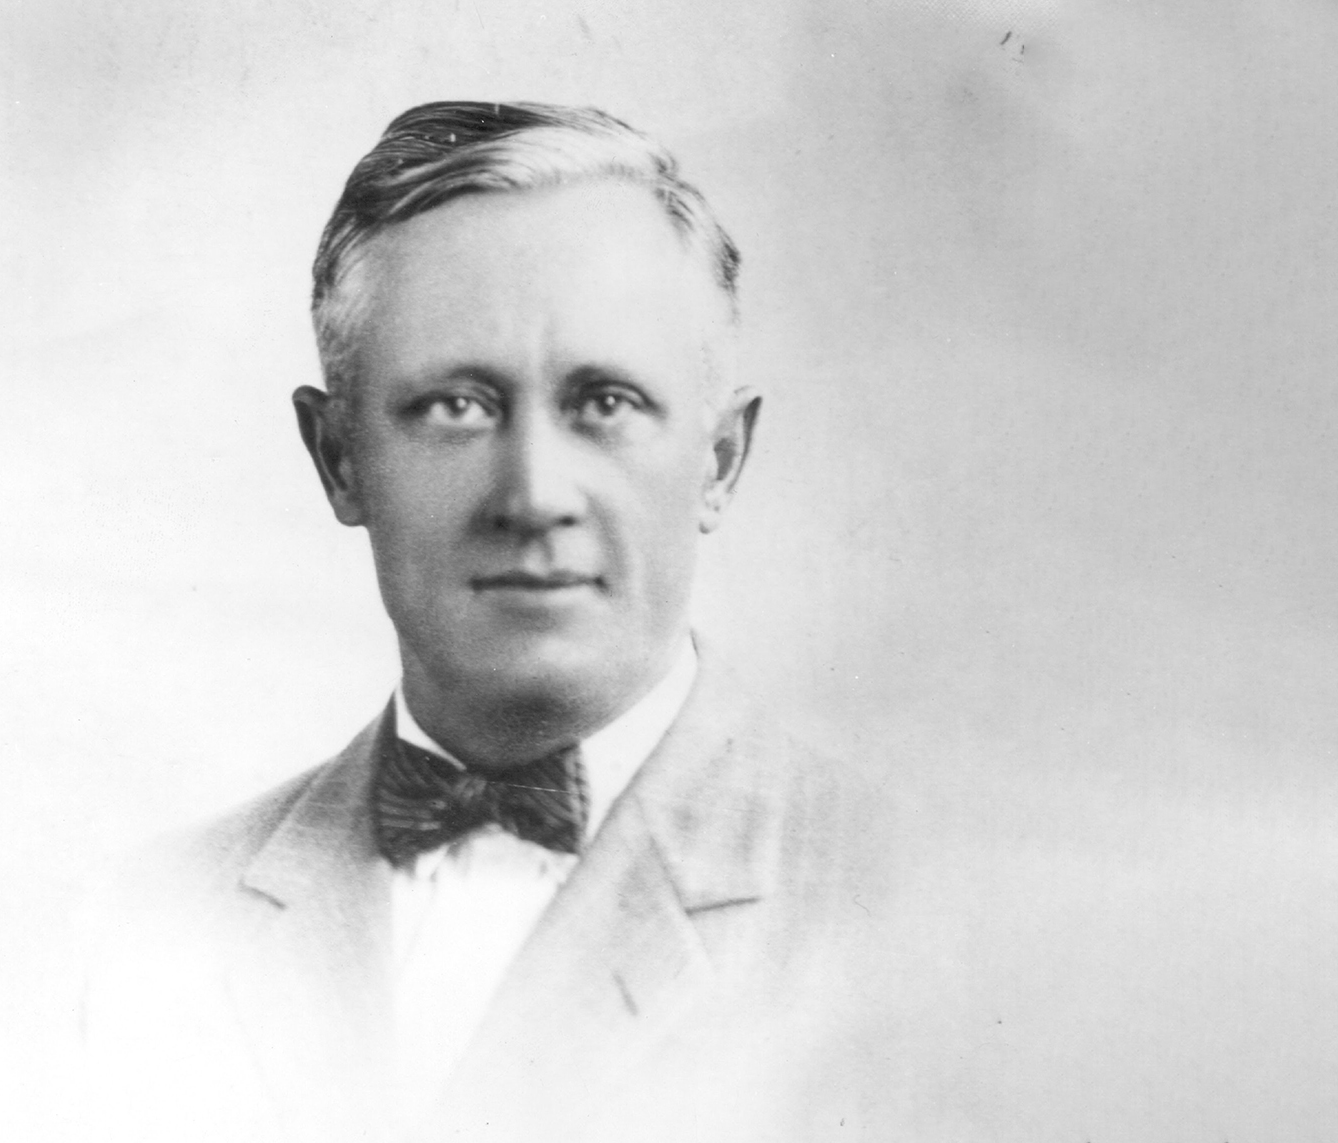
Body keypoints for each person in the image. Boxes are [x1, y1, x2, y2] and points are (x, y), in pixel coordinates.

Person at [80, 100, 1336, 1143]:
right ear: (336, 457)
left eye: (604, 402)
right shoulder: (153, 923)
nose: (532, 495)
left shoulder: (925, 908)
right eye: (455, 407)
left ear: (721, 460)